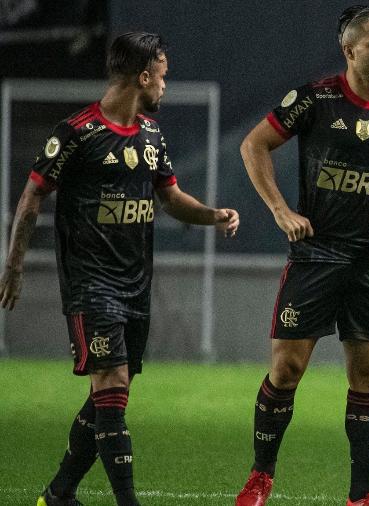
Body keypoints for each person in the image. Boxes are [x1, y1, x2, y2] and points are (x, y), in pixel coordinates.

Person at [0, 32, 240, 506]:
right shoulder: (76, 133)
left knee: (113, 391)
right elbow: (31, 199)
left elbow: (170, 198)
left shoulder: (151, 135)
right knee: (111, 388)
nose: (166, 87)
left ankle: (59, 493)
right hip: (91, 283)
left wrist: (212, 215)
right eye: (163, 77)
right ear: (144, 76)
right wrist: (14, 267)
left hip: (136, 285)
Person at [235, 5, 369, 506]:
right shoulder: (313, 100)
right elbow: (254, 146)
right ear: (350, 51)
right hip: (316, 256)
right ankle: (261, 476)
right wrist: (280, 210)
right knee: (286, 371)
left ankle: (362, 493)